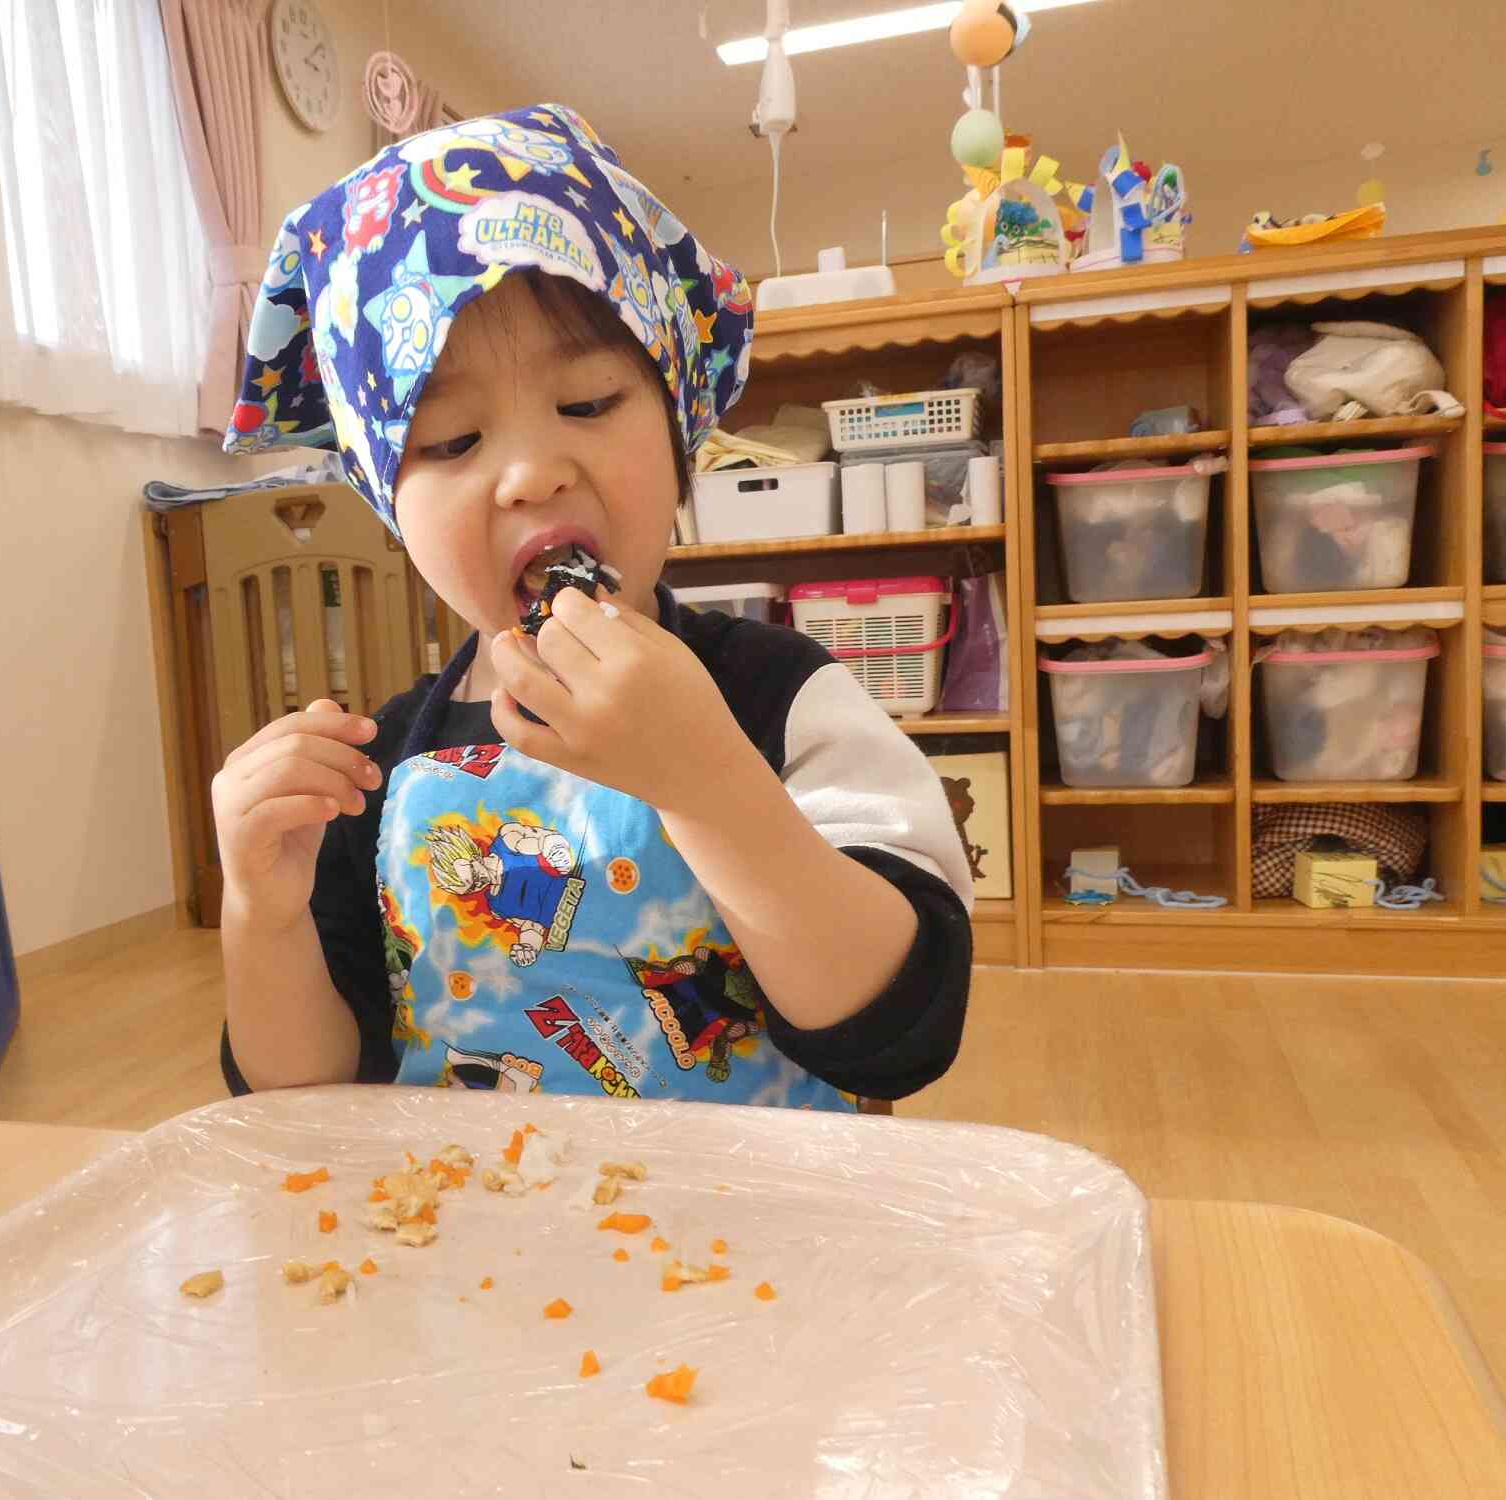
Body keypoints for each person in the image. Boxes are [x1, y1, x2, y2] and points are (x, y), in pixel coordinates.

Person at [213, 104, 973, 1111]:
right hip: (473, 1240)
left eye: (586, 406)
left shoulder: (781, 697)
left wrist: (708, 783)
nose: (528, 474)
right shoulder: (379, 762)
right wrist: (259, 912)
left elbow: (899, 1029)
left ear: (679, 435)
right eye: (448, 443)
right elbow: (306, 1091)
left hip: (758, 1242)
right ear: (388, 509)